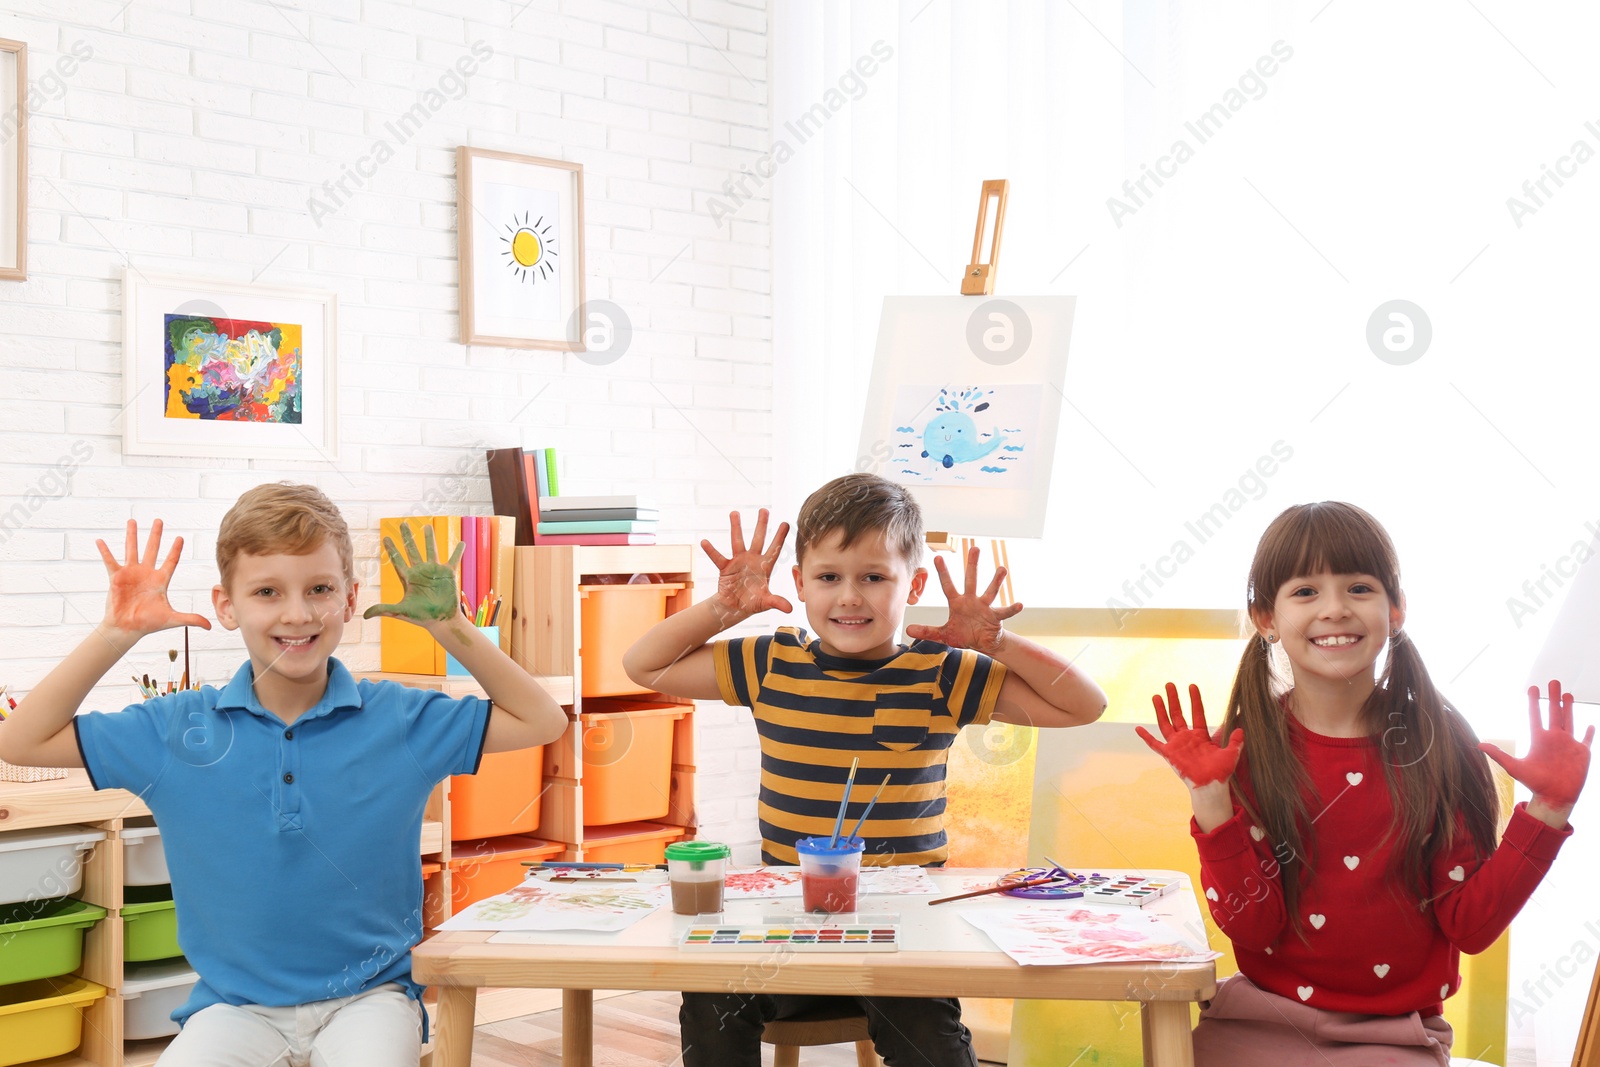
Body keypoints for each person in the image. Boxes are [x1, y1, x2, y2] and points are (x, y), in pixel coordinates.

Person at [0, 483, 568, 1066]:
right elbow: (20, 741)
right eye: (267, 591)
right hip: (233, 1008)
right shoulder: (174, 730)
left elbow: (543, 720)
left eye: (319, 589)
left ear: (350, 598)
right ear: (226, 605)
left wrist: (451, 627)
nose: (297, 613)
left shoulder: (401, 718)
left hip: (370, 1000)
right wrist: (116, 634)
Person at [623, 472, 1108, 1067]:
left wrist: (997, 643)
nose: (849, 597)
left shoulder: (943, 673)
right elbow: (641, 666)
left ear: (914, 584)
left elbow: (1085, 705)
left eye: (874, 578)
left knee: (931, 1046)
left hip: (903, 931)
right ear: (798, 583)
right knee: (710, 994)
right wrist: (723, 608)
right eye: (829, 578)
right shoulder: (770, 661)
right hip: (787, 924)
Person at [1137, 501, 1592, 1066]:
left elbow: (1471, 927)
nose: (1334, 610)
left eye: (1358, 588)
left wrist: (1547, 809)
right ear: (1265, 618)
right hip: (1259, 1017)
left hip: (1395, 1037)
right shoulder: (1245, 753)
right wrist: (1210, 800)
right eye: (1305, 591)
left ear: (1395, 609)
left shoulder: (1440, 748)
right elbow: (1252, 928)